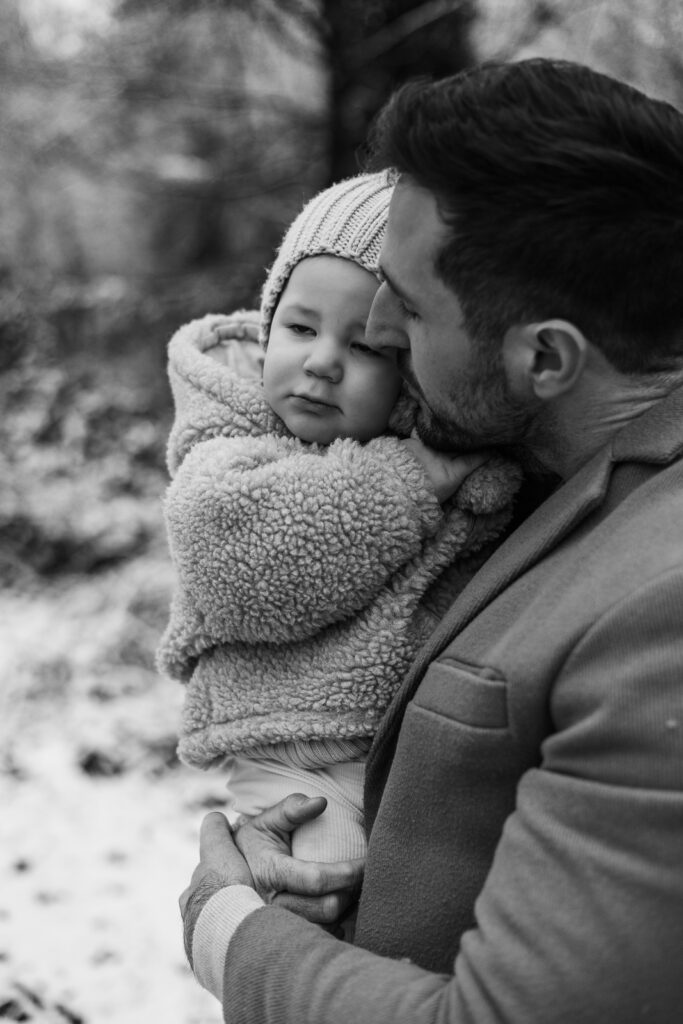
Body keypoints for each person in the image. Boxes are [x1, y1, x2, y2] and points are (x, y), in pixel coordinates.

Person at [179, 58, 683, 1023]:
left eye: (403, 308)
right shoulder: (539, 471)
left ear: (544, 356)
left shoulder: (662, 604)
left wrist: (230, 933)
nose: (369, 327)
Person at [158, 172, 522, 948]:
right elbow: (238, 560)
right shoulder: (230, 440)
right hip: (302, 762)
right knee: (332, 906)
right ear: (265, 325)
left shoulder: (449, 450)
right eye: (299, 327)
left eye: (361, 344)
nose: (322, 361)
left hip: (411, 760)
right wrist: (407, 480)